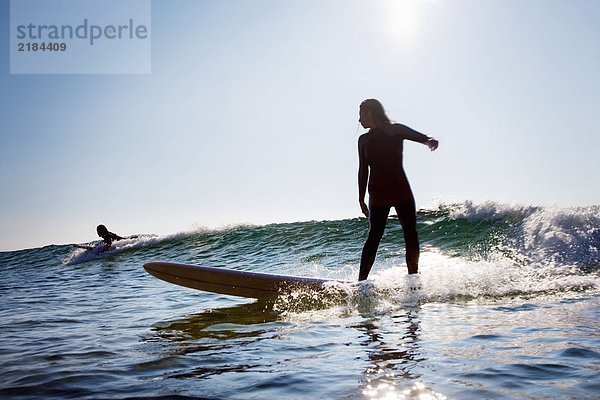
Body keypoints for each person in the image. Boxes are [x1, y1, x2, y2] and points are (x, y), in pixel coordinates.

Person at [357, 99, 438, 280]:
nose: (359, 120)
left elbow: (420, 137)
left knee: (410, 232)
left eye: (360, 115)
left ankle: (413, 278)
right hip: (378, 194)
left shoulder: (395, 130)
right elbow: (363, 170)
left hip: (400, 191)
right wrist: (361, 199)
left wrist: (428, 140)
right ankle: (361, 282)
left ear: (369, 113)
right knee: (374, 236)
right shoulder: (363, 140)